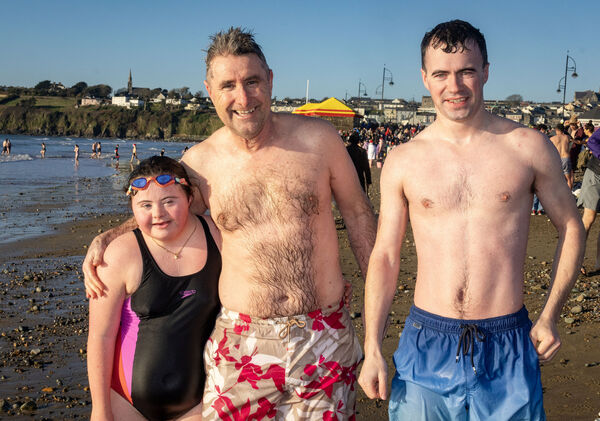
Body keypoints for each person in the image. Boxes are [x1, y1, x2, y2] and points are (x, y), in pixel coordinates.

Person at [83, 27, 376, 419]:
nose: (243, 97)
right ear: (209, 90)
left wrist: (376, 322)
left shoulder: (319, 141)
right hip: (242, 342)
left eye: (252, 81)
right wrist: (109, 236)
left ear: (270, 80)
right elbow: (161, 209)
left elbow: (358, 215)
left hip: (324, 334)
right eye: (228, 85)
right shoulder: (199, 164)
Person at [358, 20, 584, 420]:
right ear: (425, 77)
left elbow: (570, 225)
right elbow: (385, 256)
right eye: (442, 74)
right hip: (426, 340)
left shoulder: (526, 146)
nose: (455, 86)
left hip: (508, 341)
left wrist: (551, 315)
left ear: (485, 72)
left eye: (466, 71)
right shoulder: (404, 160)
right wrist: (372, 345)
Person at [87, 156, 222, 421]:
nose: (157, 214)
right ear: (132, 208)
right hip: (126, 404)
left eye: (169, 201)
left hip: (200, 406)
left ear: (190, 198)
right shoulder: (119, 254)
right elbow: (100, 337)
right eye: (145, 205)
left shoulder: (217, 238)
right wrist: (100, 410)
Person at [578, 123, 600, 275]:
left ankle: (599, 263)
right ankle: (576, 261)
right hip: (595, 174)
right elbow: (592, 141)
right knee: (589, 218)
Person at [550, 123, 573, 189]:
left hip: (557, 159)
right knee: (568, 179)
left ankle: (558, 192)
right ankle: (569, 194)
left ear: (556, 130)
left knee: (556, 178)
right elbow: (572, 139)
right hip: (566, 158)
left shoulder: (552, 138)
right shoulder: (567, 137)